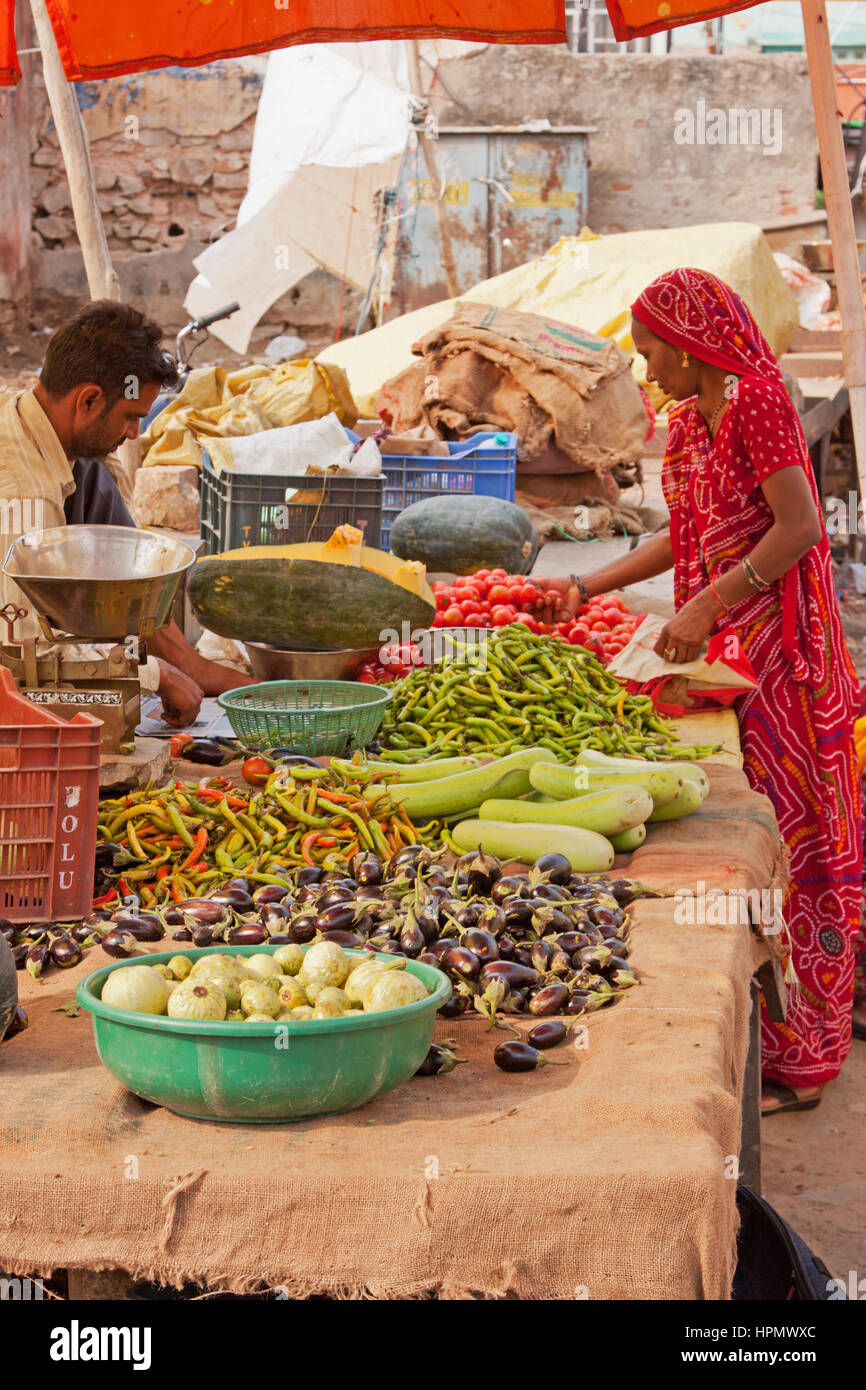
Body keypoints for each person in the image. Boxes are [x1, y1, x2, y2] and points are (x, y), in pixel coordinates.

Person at [536, 267, 863, 1116]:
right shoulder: (689, 423)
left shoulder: (756, 399)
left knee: (796, 836)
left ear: (692, 347)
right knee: (756, 824)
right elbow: (687, 532)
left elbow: (799, 528)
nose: (646, 370)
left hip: (785, 648)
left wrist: (708, 603)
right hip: (733, 646)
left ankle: (804, 1057)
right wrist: (594, 586)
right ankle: (765, 1028)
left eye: (651, 353)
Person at [0, 300, 254, 726]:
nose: (135, 433)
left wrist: (177, 661)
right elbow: (18, 652)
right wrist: (151, 674)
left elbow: (123, 567)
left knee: (95, 475)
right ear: (89, 400)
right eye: (131, 417)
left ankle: (178, 656)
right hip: (10, 652)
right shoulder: (25, 497)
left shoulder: (52, 431)